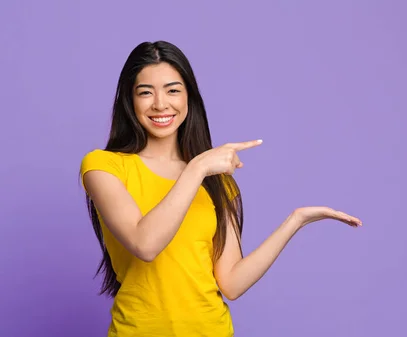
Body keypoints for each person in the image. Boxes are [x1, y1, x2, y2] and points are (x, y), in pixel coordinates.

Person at [79, 40, 362, 337]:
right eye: (146, 92)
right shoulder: (104, 167)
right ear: (130, 100)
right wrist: (197, 167)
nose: (161, 104)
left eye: (173, 90)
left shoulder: (217, 181)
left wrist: (295, 221)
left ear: (190, 98)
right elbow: (145, 244)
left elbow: (231, 283)